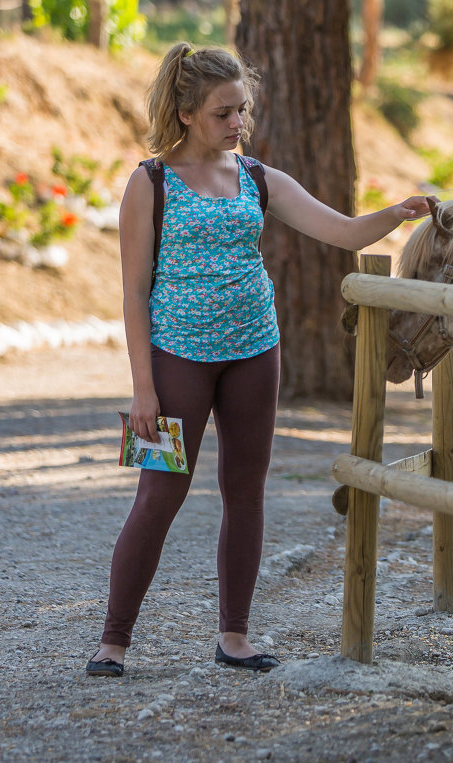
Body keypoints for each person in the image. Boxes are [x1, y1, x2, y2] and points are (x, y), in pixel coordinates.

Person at [86, 42, 432, 677]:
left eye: (242, 110)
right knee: (159, 496)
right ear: (186, 113)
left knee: (245, 493)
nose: (238, 124)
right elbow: (134, 292)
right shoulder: (150, 182)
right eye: (223, 113)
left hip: (255, 352)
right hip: (174, 359)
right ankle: (113, 641)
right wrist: (143, 389)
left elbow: (343, 231)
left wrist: (398, 214)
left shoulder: (257, 177)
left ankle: (235, 636)